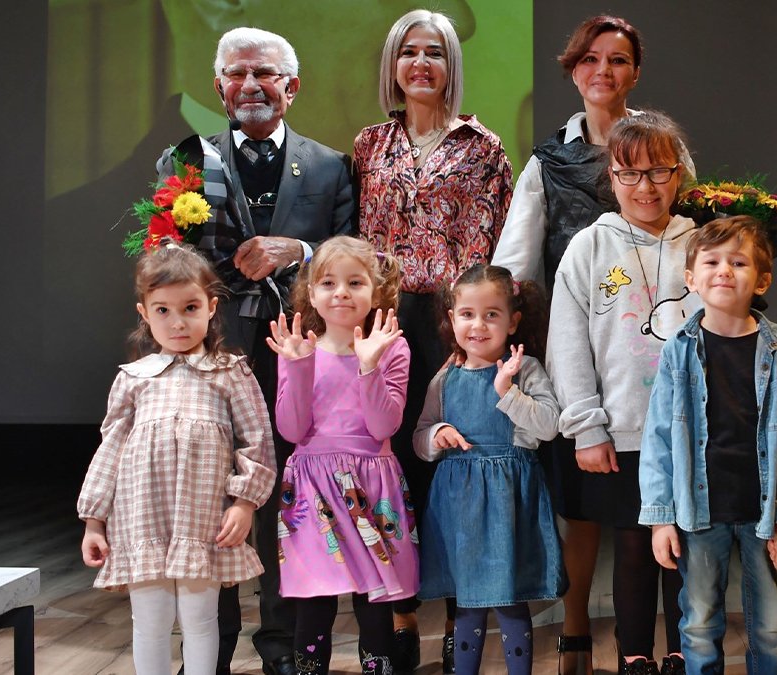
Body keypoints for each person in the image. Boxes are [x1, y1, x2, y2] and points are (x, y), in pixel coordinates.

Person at [490, 18, 688, 673]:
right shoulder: (549, 160)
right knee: (587, 510)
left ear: (635, 71)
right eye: (591, 59)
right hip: (584, 350)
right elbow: (517, 261)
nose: (604, 71)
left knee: (662, 530)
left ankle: (681, 646)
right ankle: (578, 632)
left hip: (664, 376)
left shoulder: (658, 148)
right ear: (574, 70)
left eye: (619, 60)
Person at [162, 26, 355, 675]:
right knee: (213, 495)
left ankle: (282, 645)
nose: (251, 85)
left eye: (265, 73)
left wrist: (297, 252)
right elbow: (162, 261)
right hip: (210, 356)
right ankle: (209, 647)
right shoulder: (185, 161)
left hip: (299, 355)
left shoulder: (330, 166)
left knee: (288, 498)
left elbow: (349, 253)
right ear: (218, 87)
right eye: (238, 74)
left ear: (291, 87)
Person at [354, 9, 512, 672]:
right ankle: (397, 619)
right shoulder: (367, 145)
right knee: (392, 471)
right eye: (409, 52)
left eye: (435, 53)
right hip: (385, 325)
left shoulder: (484, 147)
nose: (421, 63)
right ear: (393, 65)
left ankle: (460, 622)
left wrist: (475, 334)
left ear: (452, 66)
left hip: (456, 325)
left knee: (451, 468)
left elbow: (498, 248)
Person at [547, 111, 701, 675]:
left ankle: (687, 652)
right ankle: (634, 654)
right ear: (610, 179)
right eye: (629, 174)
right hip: (624, 428)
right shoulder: (590, 247)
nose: (645, 187)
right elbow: (567, 343)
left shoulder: (702, 245)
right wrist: (585, 426)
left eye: (659, 172)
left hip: (695, 432)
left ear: (678, 175)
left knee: (688, 548)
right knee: (636, 547)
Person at [78, 240, 277, 675]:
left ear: (210, 307)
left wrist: (245, 503)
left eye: (189, 307)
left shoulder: (229, 372)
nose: (178, 321)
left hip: (201, 519)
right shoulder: (133, 380)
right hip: (142, 518)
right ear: (145, 313)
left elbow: (256, 441)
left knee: (201, 620)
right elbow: (109, 449)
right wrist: (94, 520)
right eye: (163, 310)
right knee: (149, 622)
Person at [639, 216, 777, 675]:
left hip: (763, 513)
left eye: (738, 262)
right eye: (711, 261)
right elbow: (657, 437)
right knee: (698, 623)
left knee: (772, 626)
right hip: (699, 512)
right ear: (691, 278)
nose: (724, 271)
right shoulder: (679, 347)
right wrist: (660, 519)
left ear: (762, 279)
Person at [265, 235, 414, 675]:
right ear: (311, 292)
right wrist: (297, 365)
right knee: (314, 598)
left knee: (373, 598)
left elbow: (383, 427)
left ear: (375, 290)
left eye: (355, 282)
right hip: (312, 488)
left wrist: (369, 366)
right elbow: (291, 430)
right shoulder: (298, 348)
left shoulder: (391, 347)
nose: (342, 292)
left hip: (370, 487)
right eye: (328, 282)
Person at [412, 264, 566, 675]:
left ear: (513, 321)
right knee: (468, 602)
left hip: (508, 506)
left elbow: (548, 427)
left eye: (491, 314)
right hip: (460, 509)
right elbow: (420, 437)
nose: (478, 325)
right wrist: (437, 435)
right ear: (451, 318)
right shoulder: (445, 377)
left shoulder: (526, 369)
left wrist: (507, 392)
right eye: (467, 314)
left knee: (510, 600)